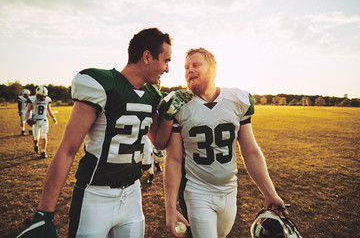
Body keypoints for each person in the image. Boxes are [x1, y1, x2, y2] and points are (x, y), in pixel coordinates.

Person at [17, 27, 192, 238]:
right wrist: (45, 212)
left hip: (132, 194)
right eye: (166, 60)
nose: (167, 69)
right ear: (147, 56)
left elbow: (159, 142)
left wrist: (167, 115)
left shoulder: (152, 94)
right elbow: (67, 150)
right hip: (95, 194)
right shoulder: (102, 84)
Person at [164, 48, 287, 238]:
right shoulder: (180, 106)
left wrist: (270, 193)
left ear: (212, 69)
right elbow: (173, 159)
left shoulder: (237, 100)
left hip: (229, 190)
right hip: (197, 191)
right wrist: (170, 207)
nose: (189, 70)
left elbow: (250, 152)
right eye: (186, 67)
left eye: (196, 65)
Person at [25, 86, 57, 158]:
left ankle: (43, 151)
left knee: (44, 136)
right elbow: (28, 110)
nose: (42, 98)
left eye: (44, 96)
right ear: (37, 94)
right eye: (40, 96)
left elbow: (49, 110)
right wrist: (27, 119)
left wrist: (53, 117)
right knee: (36, 137)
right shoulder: (32, 99)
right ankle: (36, 145)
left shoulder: (48, 100)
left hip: (44, 120)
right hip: (35, 121)